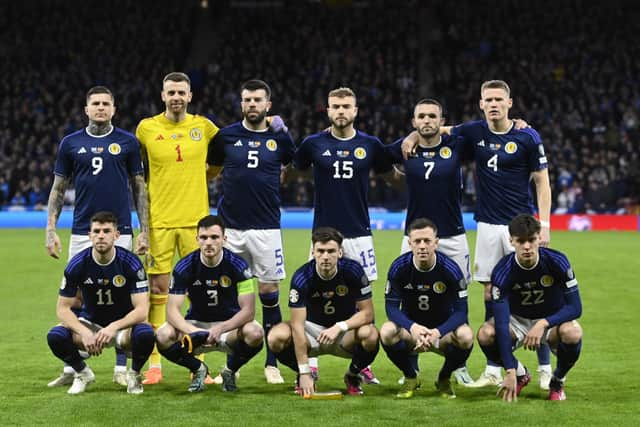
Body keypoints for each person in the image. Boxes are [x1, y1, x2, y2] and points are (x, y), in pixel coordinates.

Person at [402, 80, 553, 388]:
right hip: (486, 224)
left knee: (534, 292)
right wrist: (412, 133)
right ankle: (496, 366)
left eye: (499, 99)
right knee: (489, 293)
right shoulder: (473, 132)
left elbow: (542, 181)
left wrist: (545, 224)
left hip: (520, 226)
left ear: (510, 103)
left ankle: (545, 367)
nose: (494, 103)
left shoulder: (527, 135)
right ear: (481, 104)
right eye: (488, 99)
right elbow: (438, 129)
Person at [45, 85, 149, 388]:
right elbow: (58, 189)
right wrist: (51, 228)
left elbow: (139, 187)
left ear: (114, 109)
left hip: (121, 231)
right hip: (81, 230)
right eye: (95, 104)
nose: (101, 108)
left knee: (122, 295)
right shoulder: (70, 143)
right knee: (75, 296)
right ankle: (72, 368)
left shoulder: (128, 143)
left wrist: (145, 230)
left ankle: (120, 365)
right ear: (86, 109)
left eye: (106, 104)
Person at [294, 87, 391, 384]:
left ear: (356, 110)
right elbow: (294, 168)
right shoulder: (313, 144)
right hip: (322, 234)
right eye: (335, 106)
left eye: (346, 106)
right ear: (327, 110)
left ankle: (361, 363)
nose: (340, 111)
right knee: (313, 292)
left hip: (359, 233)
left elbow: (390, 168)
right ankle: (310, 361)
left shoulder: (370, 145)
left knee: (363, 297)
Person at [207, 79, 295, 384]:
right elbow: (211, 170)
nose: (252, 104)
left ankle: (272, 363)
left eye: (258, 100)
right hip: (230, 229)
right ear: (241, 103)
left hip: (267, 228)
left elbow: (292, 164)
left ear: (268, 105)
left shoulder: (280, 139)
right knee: (230, 297)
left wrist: (282, 132)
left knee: (269, 294)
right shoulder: (225, 137)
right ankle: (235, 363)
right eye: (247, 100)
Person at [135, 72, 219, 385]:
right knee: (158, 290)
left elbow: (223, 157)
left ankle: (197, 362)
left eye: (181, 92)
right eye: (171, 92)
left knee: (198, 292)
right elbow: (138, 177)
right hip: (159, 222)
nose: (176, 98)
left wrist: (202, 177)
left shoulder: (204, 127)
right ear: (162, 95)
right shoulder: (146, 128)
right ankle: (155, 363)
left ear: (190, 95)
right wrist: (142, 226)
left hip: (197, 223)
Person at [387, 98, 474, 386]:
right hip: (413, 237)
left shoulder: (457, 145)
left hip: (453, 235)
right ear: (413, 121)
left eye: (432, 116)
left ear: (441, 120)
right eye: (421, 117)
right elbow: (373, 156)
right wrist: (409, 139)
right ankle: (410, 364)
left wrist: (521, 125)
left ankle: (458, 364)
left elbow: (483, 128)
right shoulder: (404, 149)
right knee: (408, 294)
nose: (426, 121)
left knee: (459, 298)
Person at [46, 211, 155, 395]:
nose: (101, 236)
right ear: (90, 235)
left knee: (146, 333)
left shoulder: (131, 263)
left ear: (116, 235)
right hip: (91, 324)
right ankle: (82, 372)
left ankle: (134, 374)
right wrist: (85, 333)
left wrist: (114, 327)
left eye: (106, 231)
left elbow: (142, 310)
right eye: (96, 231)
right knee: (55, 335)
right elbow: (62, 309)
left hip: (123, 328)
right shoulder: (77, 264)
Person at [477, 214, 582, 401]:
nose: (527, 247)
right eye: (521, 241)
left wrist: (543, 323)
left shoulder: (557, 261)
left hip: (551, 321)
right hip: (517, 321)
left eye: (531, 240)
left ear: (539, 237)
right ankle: (520, 374)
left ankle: (557, 380)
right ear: (511, 241)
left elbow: (575, 308)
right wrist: (509, 370)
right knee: (485, 334)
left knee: (573, 333)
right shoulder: (502, 271)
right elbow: (501, 324)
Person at [155, 215, 263, 393]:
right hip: (196, 324)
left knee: (255, 333)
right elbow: (172, 312)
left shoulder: (239, 266)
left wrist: (220, 329)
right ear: (197, 239)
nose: (209, 243)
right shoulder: (184, 267)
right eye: (204, 238)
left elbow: (248, 312)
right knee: (162, 335)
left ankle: (230, 371)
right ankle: (198, 369)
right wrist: (194, 332)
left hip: (230, 329)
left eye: (214, 237)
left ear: (224, 239)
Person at [267, 227, 380, 397]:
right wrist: (304, 370)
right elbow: (297, 326)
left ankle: (352, 375)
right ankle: (303, 376)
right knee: (275, 337)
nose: (325, 256)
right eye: (320, 251)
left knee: (370, 334)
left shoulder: (353, 271)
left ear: (340, 252)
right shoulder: (302, 276)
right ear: (313, 252)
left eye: (331, 251)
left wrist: (340, 327)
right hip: (310, 332)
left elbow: (367, 314)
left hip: (344, 332)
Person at [381, 218, 473, 399]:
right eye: (417, 241)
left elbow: (462, 312)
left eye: (427, 241)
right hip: (411, 331)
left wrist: (438, 332)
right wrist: (412, 327)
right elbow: (391, 308)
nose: (422, 246)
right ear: (410, 244)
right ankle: (410, 376)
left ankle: (444, 378)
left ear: (436, 243)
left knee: (466, 336)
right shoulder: (399, 267)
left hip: (443, 332)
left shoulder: (451, 269)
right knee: (386, 331)